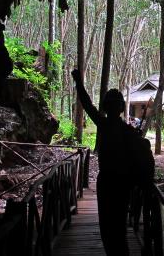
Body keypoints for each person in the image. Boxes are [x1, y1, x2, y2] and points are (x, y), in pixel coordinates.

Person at [71, 69, 134, 255]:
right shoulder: (127, 131)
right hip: (122, 182)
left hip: (106, 181)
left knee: (107, 224)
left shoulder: (103, 124)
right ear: (121, 108)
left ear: (106, 107)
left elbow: (87, 104)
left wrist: (79, 83)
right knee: (120, 224)